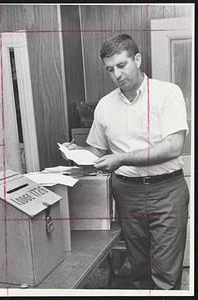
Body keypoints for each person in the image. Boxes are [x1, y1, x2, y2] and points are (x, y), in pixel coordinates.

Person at [63, 34, 189, 290]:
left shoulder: (168, 93)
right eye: (110, 69)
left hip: (166, 191)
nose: (117, 74)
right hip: (126, 192)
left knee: (166, 273)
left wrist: (120, 158)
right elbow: (97, 150)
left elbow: (173, 147)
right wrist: (77, 152)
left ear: (137, 59)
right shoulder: (105, 106)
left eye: (122, 65)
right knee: (139, 268)